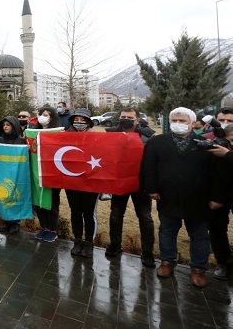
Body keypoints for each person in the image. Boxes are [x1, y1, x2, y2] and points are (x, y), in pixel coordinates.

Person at [142, 107, 225, 288]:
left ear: (192, 123)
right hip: (168, 196)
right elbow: (148, 166)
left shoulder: (204, 143)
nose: (178, 124)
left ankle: (198, 269)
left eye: (183, 121)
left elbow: (216, 174)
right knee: (167, 230)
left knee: (200, 235)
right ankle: (167, 262)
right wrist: (151, 189)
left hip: (198, 199)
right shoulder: (158, 142)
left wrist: (216, 197)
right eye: (175, 120)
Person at [104, 108, 155, 267]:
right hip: (119, 181)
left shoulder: (148, 136)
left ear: (138, 120)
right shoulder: (111, 133)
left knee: (145, 217)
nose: (126, 119)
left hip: (141, 184)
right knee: (115, 215)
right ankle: (115, 245)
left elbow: (153, 162)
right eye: (123, 116)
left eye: (129, 117)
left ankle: (147, 252)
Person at [64, 108, 99, 258]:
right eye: (76, 120)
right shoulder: (65, 137)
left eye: (83, 120)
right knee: (75, 211)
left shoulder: (97, 138)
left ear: (89, 122)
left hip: (90, 181)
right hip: (71, 181)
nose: (79, 123)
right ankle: (77, 240)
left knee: (89, 213)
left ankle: (89, 243)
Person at [32, 106, 62, 243]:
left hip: (52, 174)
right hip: (36, 172)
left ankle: (53, 230)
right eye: (40, 114)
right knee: (39, 201)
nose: (42, 117)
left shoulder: (58, 133)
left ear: (52, 118)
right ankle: (44, 227)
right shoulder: (33, 133)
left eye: (45, 115)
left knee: (52, 201)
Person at [208, 123, 233, 280]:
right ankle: (224, 262)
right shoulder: (219, 148)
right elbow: (216, 176)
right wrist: (217, 198)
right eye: (230, 140)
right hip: (222, 197)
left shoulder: (225, 153)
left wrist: (228, 155)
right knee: (217, 229)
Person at [0, 116, 26, 234]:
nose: (5, 127)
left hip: (17, 174)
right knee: (5, 196)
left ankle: (16, 223)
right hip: (4, 173)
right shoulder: (0, 140)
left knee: (15, 196)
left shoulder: (20, 140)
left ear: (14, 126)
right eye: (4, 125)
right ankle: (7, 221)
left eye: (8, 125)